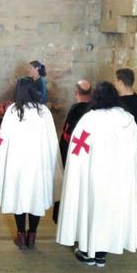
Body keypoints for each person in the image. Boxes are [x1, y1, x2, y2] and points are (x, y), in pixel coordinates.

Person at [56, 81, 137, 268]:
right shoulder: (128, 120)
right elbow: (133, 152)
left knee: (93, 211)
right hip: (119, 178)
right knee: (111, 212)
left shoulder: (90, 119)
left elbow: (77, 150)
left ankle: (89, 253)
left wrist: (76, 174)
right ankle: (102, 254)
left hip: (95, 177)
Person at [0, 77, 62, 249]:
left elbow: (3, 139)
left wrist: (2, 159)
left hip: (17, 164)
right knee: (36, 198)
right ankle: (32, 234)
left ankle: (21, 234)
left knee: (18, 197)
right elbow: (52, 140)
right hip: (37, 165)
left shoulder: (12, 111)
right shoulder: (44, 111)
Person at [53, 79, 92, 223]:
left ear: (76, 92)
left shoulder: (75, 110)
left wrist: (61, 156)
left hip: (72, 154)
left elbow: (66, 135)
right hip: (89, 157)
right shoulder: (94, 110)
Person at [114, 69, 137, 190]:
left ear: (120, 82)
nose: (114, 83)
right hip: (136, 146)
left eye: (115, 80)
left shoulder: (119, 103)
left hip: (124, 149)